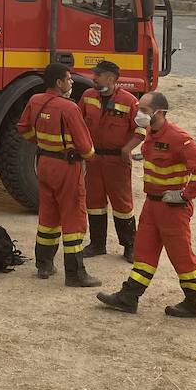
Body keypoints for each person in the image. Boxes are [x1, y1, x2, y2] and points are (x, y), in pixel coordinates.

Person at [97, 91, 196, 318]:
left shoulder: (179, 138)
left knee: (181, 256)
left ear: (160, 113)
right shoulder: (150, 133)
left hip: (172, 209)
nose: (139, 114)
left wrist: (185, 195)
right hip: (152, 205)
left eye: (144, 111)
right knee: (144, 252)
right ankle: (128, 297)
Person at [16, 63, 99, 287]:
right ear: (59, 82)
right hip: (66, 167)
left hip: (43, 163)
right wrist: (91, 157)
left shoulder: (35, 100)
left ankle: (44, 264)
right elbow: (85, 146)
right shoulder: (69, 108)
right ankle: (75, 274)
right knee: (74, 217)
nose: (71, 83)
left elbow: (23, 128)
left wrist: (42, 142)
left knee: (48, 215)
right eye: (69, 79)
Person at [79, 60, 145, 261]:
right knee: (94, 202)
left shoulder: (129, 101)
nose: (94, 78)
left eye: (98, 75)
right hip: (94, 159)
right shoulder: (88, 96)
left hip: (117, 160)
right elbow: (79, 122)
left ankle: (129, 246)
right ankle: (97, 244)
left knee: (122, 204)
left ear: (111, 78)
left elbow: (141, 129)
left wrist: (127, 149)